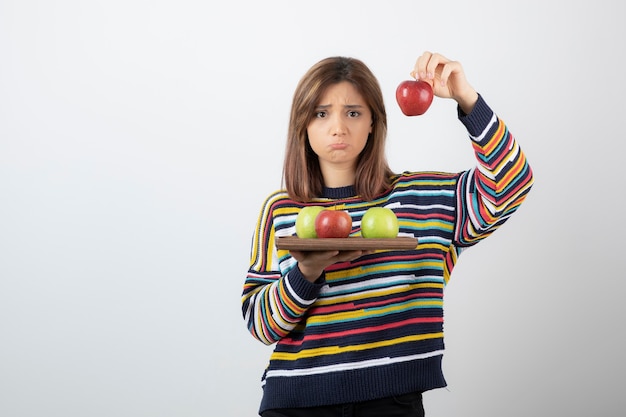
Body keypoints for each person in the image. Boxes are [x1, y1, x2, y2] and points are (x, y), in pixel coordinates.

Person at [241, 51, 534, 417]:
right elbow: (260, 324)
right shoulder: (282, 210)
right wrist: (306, 274)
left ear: (374, 124)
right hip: (295, 401)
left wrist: (467, 98)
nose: (338, 127)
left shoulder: (422, 199)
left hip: (391, 401)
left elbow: (512, 184)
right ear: (302, 125)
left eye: (353, 112)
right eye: (321, 113)